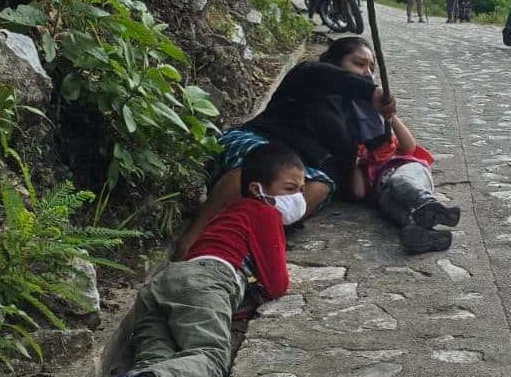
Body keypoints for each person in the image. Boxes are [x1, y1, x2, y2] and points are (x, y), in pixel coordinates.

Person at [63, 143, 303, 377]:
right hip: (208, 280)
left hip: (164, 285)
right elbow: (277, 283)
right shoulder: (262, 212)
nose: (298, 199)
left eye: (301, 191)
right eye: (290, 189)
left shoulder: (227, 216)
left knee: (158, 361)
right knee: (210, 357)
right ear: (257, 189)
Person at [171, 36, 395, 258]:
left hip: (303, 168)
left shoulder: (357, 116)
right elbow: (321, 75)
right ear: (334, 62)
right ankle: (192, 240)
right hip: (261, 142)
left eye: (371, 68)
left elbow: (353, 165)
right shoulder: (309, 76)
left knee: (319, 187)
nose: (367, 73)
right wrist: (370, 91)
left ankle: (248, 243)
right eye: (359, 64)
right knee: (263, 167)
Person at [350, 113, 460, 254]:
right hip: (385, 191)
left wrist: (390, 116)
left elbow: (410, 147)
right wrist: (355, 160)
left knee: (398, 180)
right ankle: (424, 235)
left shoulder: (392, 144)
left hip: (408, 171)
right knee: (390, 206)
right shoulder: (362, 164)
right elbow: (359, 193)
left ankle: (429, 204)